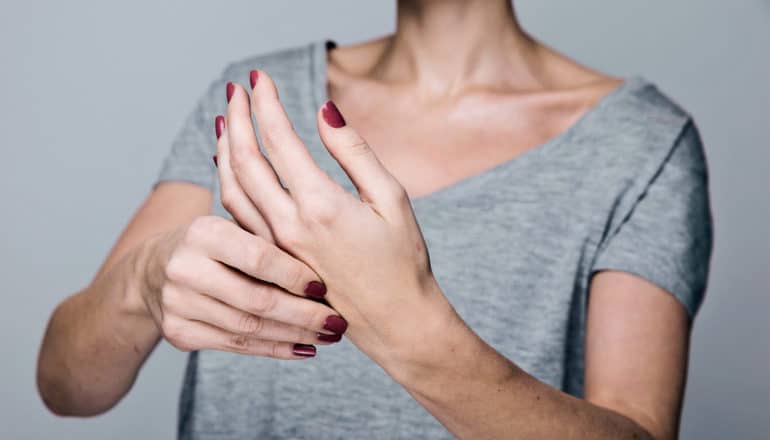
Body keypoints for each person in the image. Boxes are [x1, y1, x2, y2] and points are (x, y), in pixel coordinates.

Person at [36, 1, 713, 438]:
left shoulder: (640, 143)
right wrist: (142, 283)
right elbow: (66, 386)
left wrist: (408, 328)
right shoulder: (252, 98)